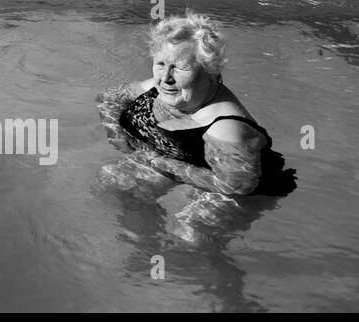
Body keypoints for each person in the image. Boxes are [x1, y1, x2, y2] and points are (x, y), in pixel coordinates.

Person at [98, 12, 290, 198]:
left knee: (184, 230)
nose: (165, 78)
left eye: (180, 67)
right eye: (160, 64)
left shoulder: (227, 129)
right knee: (112, 184)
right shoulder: (162, 88)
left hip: (230, 197)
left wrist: (160, 164)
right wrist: (118, 137)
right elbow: (109, 98)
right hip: (168, 167)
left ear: (210, 70)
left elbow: (236, 187)